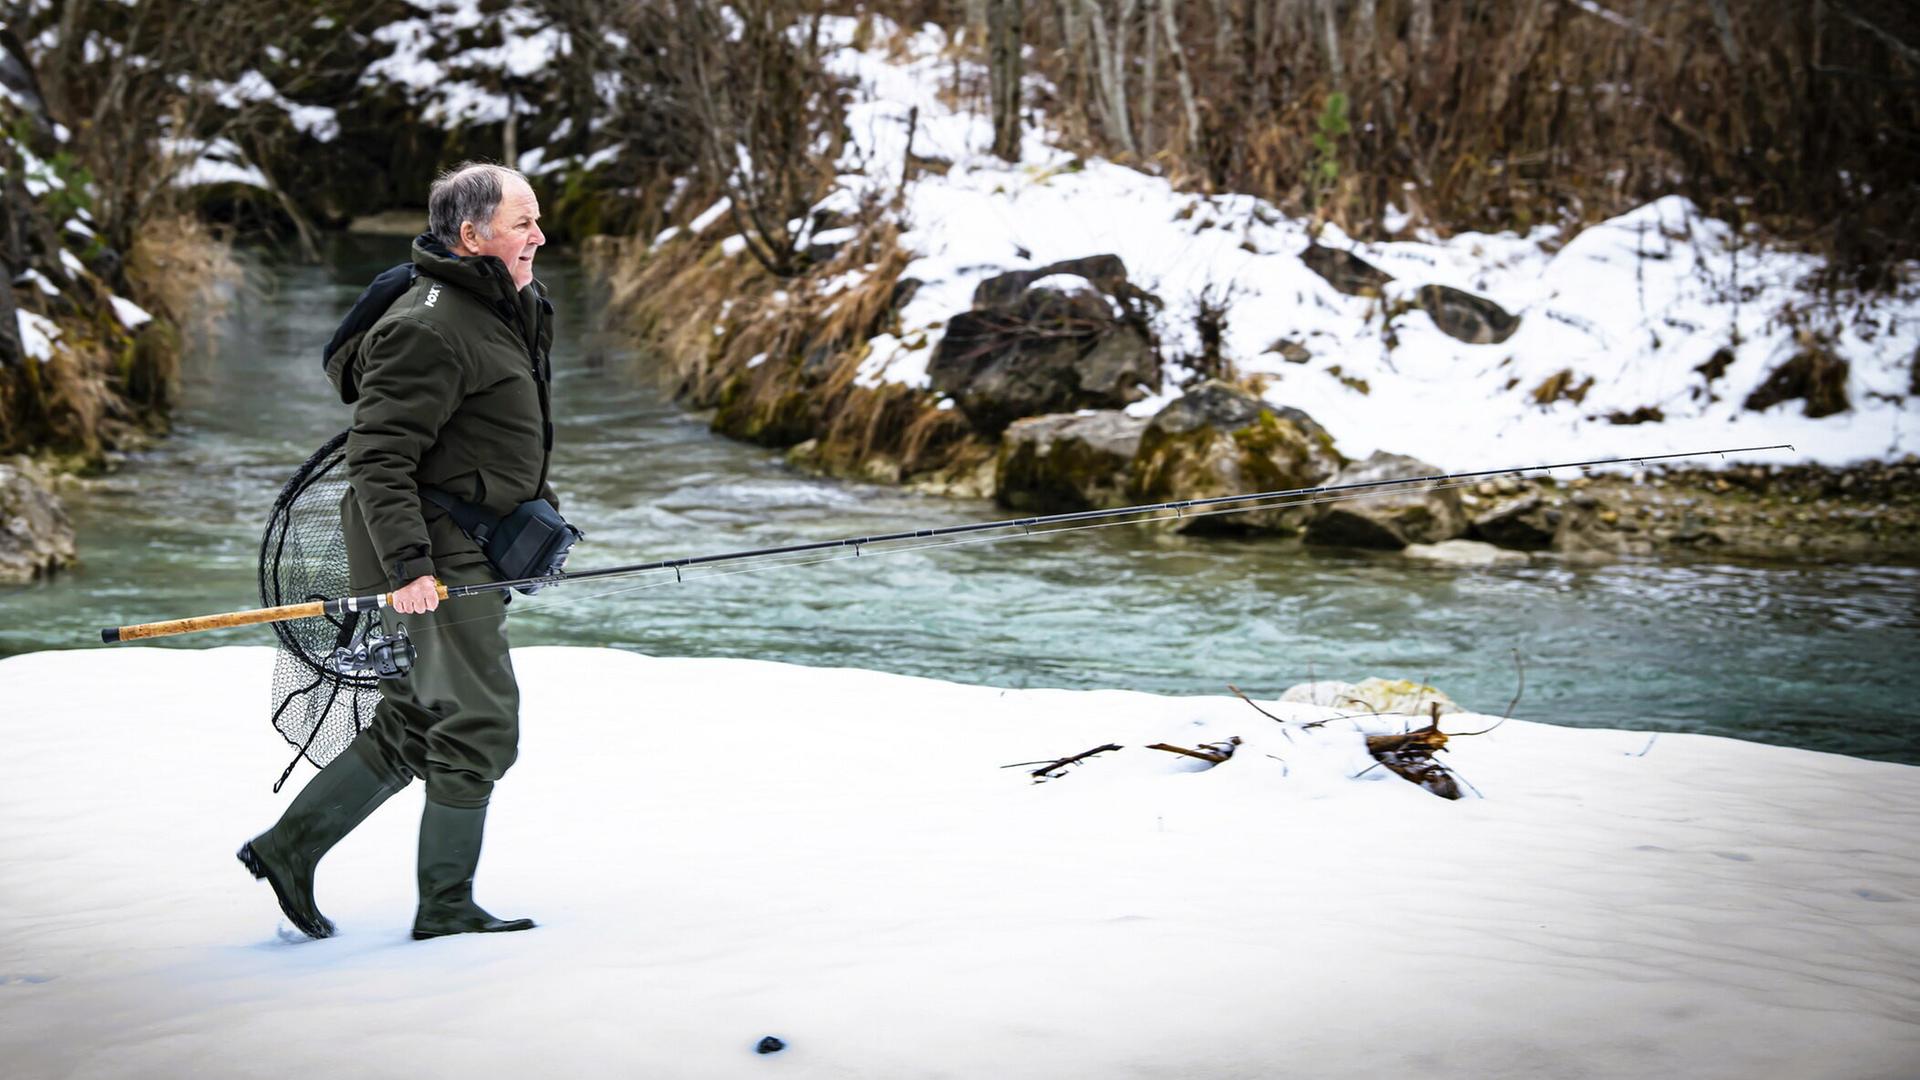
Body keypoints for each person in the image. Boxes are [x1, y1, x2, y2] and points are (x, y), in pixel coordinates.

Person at [239, 161, 556, 941]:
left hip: (471, 542)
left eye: (536, 219)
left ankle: (289, 850)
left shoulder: (512, 302)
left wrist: (532, 516)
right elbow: (378, 459)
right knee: (479, 723)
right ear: (471, 235)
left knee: (419, 717)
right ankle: (446, 909)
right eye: (523, 224)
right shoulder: (428, 326)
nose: (538, 237)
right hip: (429, 555)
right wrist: (411, 567)